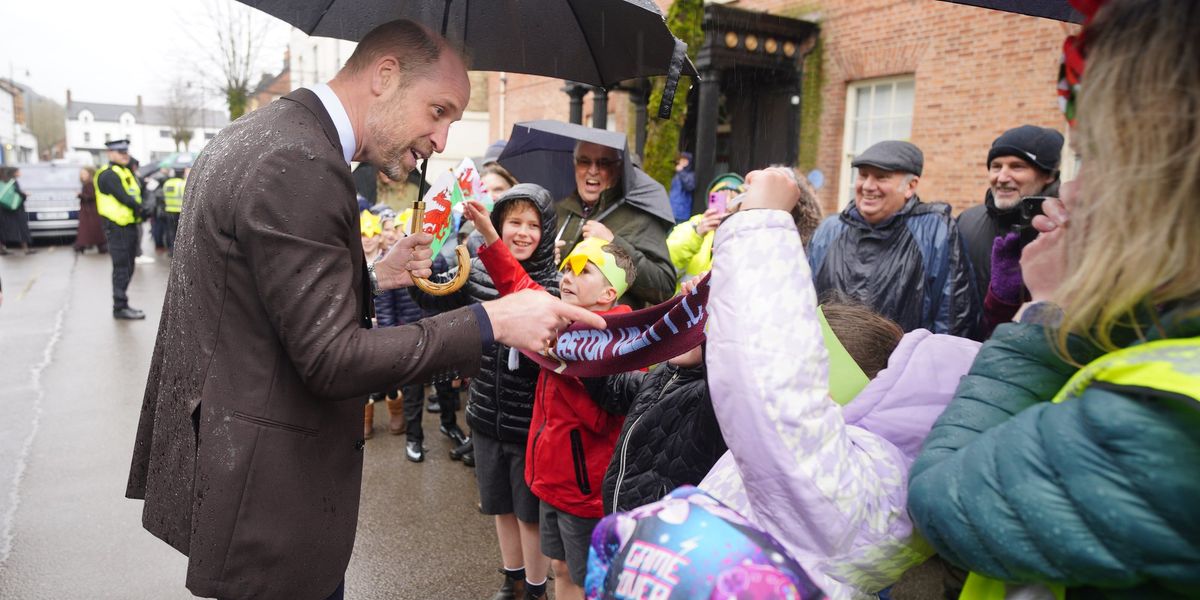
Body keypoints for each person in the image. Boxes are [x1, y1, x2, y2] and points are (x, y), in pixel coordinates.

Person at [125, 20, 601, 600]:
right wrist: (493, 320)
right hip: (271, 503)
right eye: (439, 110)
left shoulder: (256, 135)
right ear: (385, 76)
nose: (443, 140)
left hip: (243, 480)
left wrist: (373, 278)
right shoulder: (300, 162)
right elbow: (331, 359)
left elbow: (257, 304)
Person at [908, 1, 1200, 597]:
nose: (1083, 184)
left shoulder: (1169, 419)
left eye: (1094, 156)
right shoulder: (966, 223)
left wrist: (1051, 310)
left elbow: (943, 494)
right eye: (995, 165)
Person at [696, 167, 982, 598]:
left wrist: (761, 226)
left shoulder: (849, 488)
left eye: (814, 383)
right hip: (863, 333)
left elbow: (773, 384)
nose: (868, 184)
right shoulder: (841, 473)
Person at [466, 199, 638, 600]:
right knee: (558, 567)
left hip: (584, 490)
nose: (568, 277)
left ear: (609, 292)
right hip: (548, 479)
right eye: (567, 267)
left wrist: (578, 360)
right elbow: (517, 284)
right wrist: (490, 236)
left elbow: (615, 405)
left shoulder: (621, 345)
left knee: (584, 576)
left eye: (584, 271)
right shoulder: (557, 320)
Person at [411, 184, 559, 599]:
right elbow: (435, 297)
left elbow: (526, 302)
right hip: (485, 411)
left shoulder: (552, 284)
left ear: (547, 232)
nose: (524, 232)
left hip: (530, 423)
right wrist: (417, 267)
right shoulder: (475, 270)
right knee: (498, 504)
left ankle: (535, 587)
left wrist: (494, 249)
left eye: (534, 225)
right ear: (499, 224)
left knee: (529, 512)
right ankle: (511, 577)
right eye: (514, 222)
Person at [807, 140, 978, 337]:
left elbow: (952, 317)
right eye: (863, 175)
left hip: (903, 366)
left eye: (882, 177)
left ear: (910, 187)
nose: (868, 186)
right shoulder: (829, 231)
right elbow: (805, 302)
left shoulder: (935, 232)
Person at [957, 125, 1063, 337]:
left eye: (1017, 167)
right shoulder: (965, 222)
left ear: (1049, 175)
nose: (1002, 177)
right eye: (996, 167)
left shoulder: (1065, 228)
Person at [555, 141, 675, 309]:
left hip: (611, 330)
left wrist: (613, 242)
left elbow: (664, 287)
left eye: (603, 163)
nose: (593, 170)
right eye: (584, 161)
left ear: (618, 169)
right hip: (555, 326)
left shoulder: (640, 217)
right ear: (575, 165)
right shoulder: (558, 209)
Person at [93, 140, 148, 319]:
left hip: (129, 225)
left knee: (129, 266)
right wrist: (142, 209)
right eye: (119, 152)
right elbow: (125, 198)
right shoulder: (108, 175)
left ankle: (122, 303)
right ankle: (119, 306)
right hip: (117, 228)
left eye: (126, 151)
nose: (124, 154)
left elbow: (139, 194)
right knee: (122, 268)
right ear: (110, 153)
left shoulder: (126, 172)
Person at [0, 166, 34, 256]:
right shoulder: (13, 182)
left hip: (4, 209)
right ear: (14, 173)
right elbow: (18, 193)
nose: (20, 173)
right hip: (16, 209)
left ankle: (2, 249)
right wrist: (25, 195)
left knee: (3, 229)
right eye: (18, 171)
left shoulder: (3, 182)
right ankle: (26, 249)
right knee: (21, 229)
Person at [73, 166, 106, 253]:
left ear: (90, 174)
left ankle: (83, 245)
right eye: (81, 174)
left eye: (84, 174)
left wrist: (80, 195)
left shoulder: (90, 184)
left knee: (90, 229)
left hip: (91, 211)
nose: (82, 176)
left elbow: (91, 196)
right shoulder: (88, 183)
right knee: (90, 229)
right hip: (89, 211)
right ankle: (85, 244)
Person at [161, 168, 187, 257]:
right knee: (180, 233)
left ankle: (171, 250)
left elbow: (163, 196)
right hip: (180, 211)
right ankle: (179, 252)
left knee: (170, 232)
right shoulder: (183, 183)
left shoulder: (167, 183)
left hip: (169, 210)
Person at [667, 151, 695, 223]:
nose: (682, 162)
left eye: (684, 160)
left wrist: (681, 172)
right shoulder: (677, 175)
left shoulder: (690, 175)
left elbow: (690, 187)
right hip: (672, 209)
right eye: (681, 160)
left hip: (682, 212)